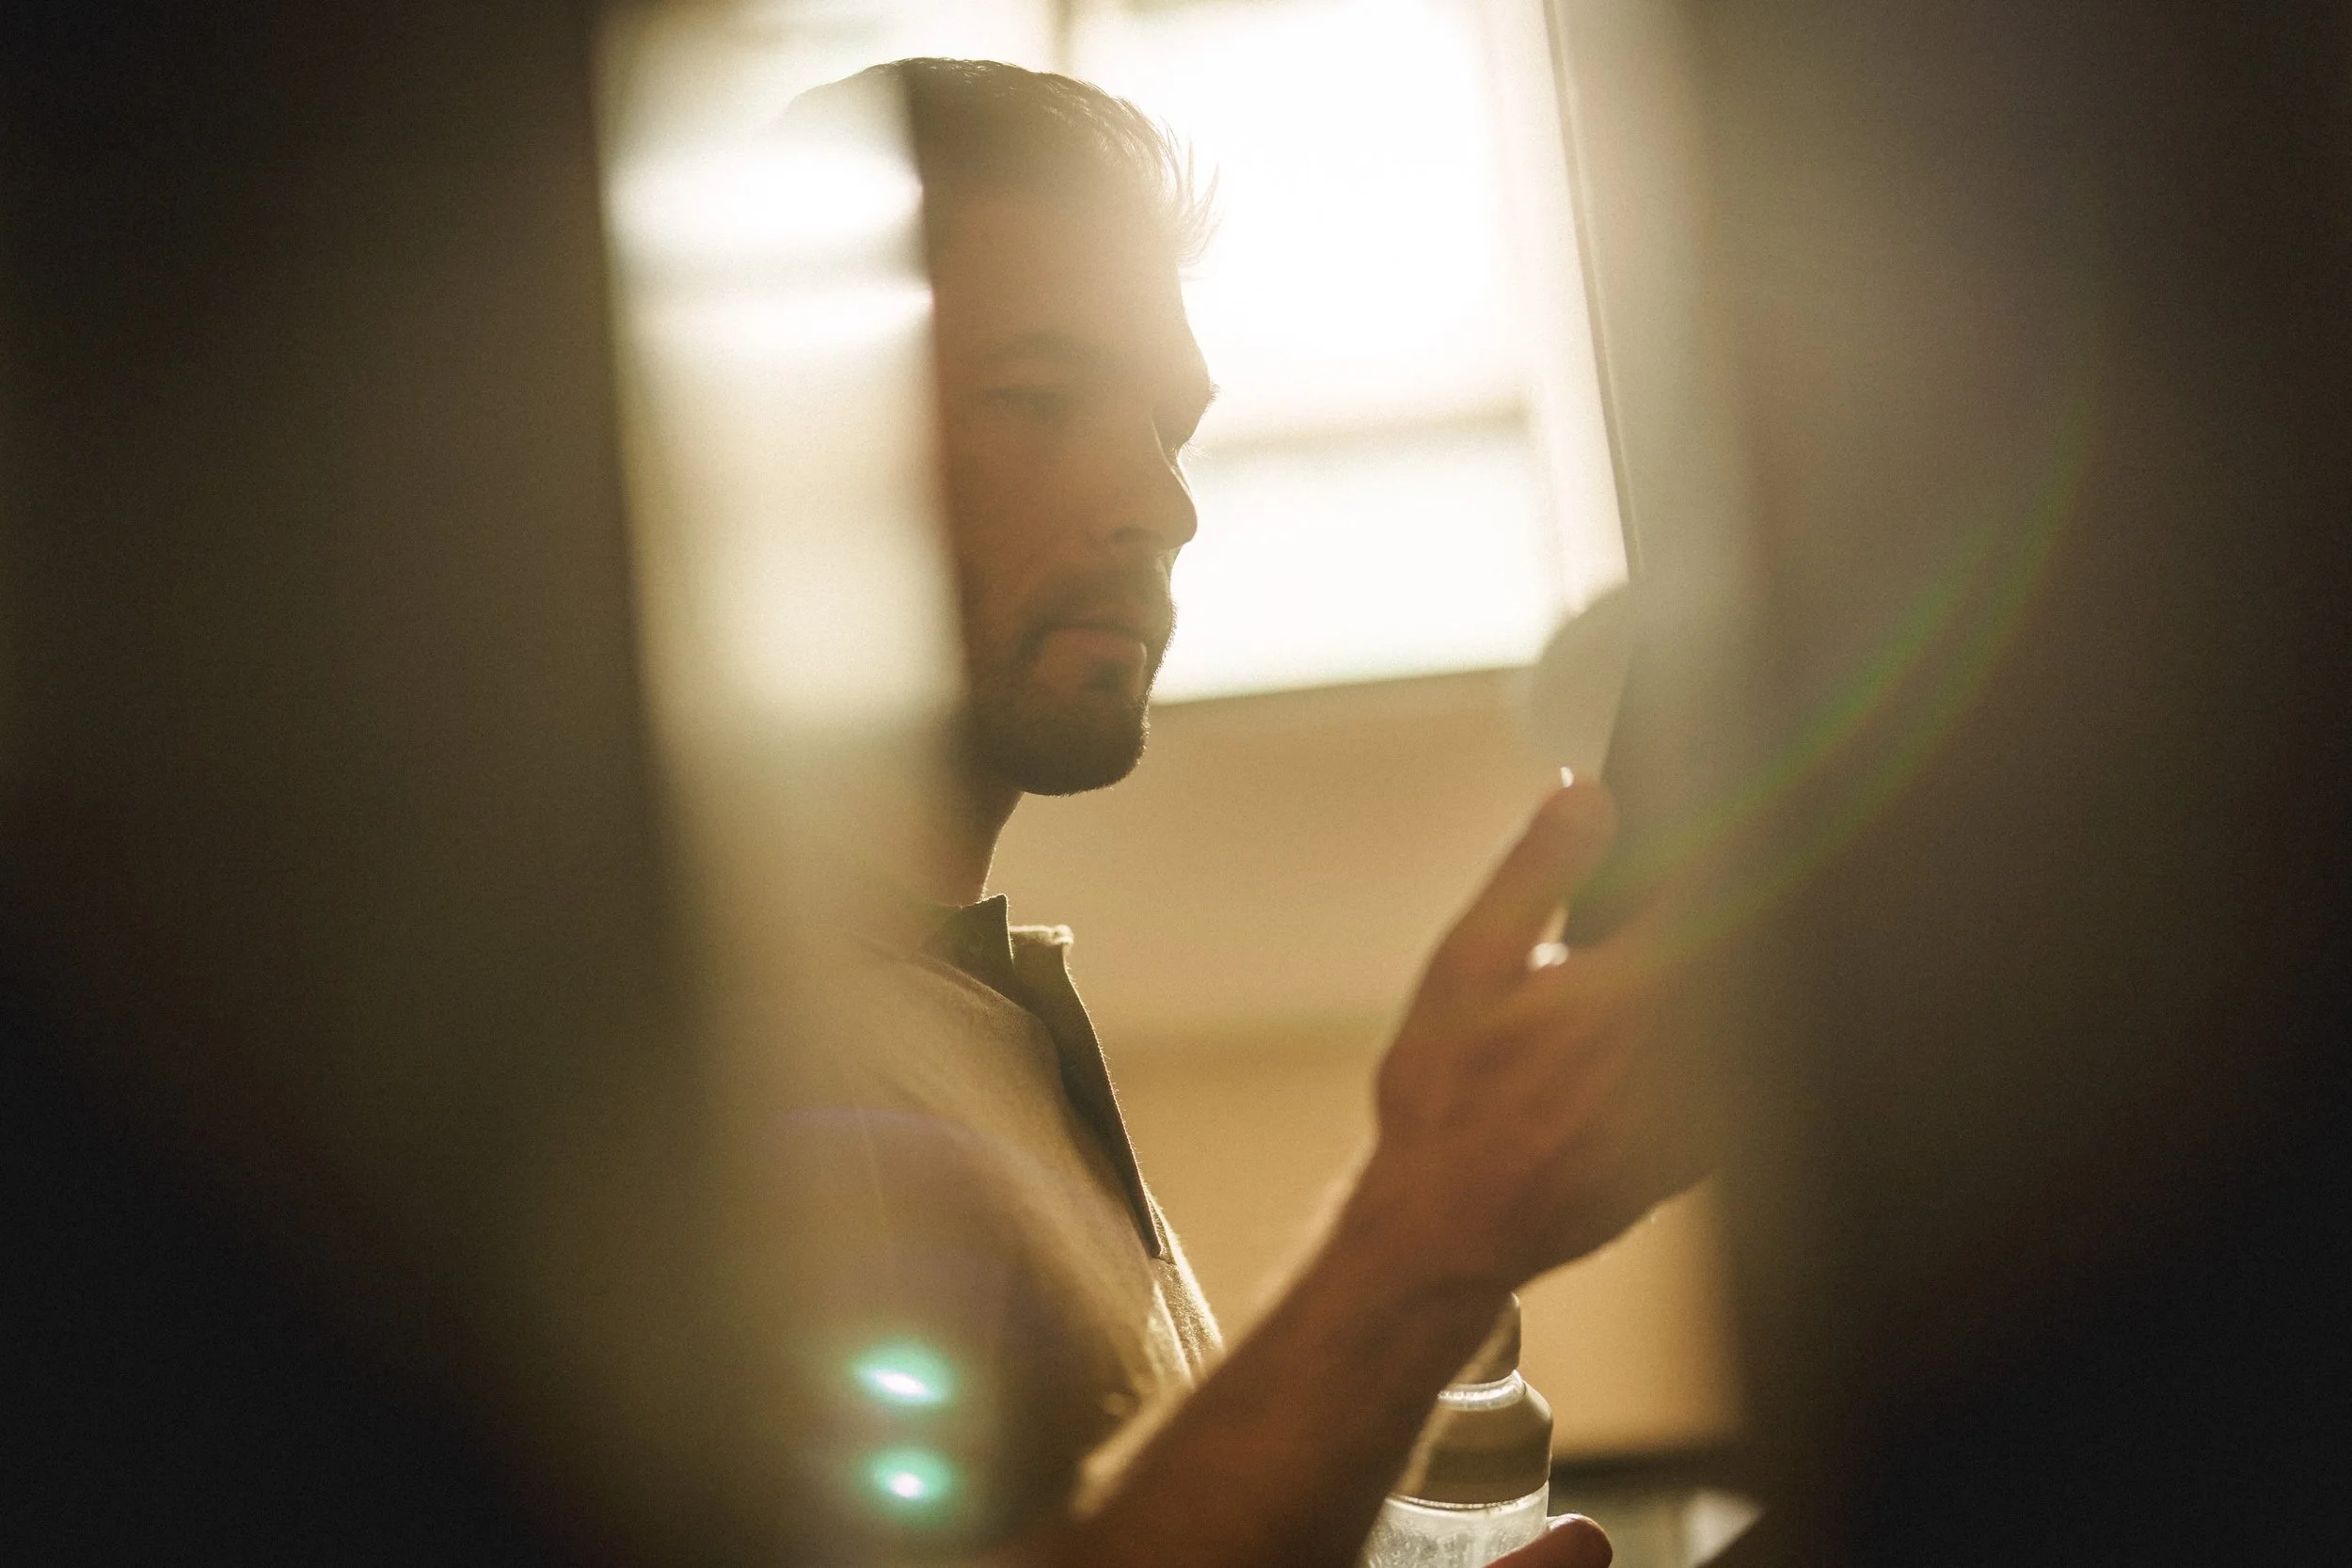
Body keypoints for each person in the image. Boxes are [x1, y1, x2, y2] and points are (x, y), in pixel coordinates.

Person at [768, 57, 1697, 1568]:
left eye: (1169, 426)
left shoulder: (984, 1031)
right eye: (1039, 397)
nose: (1162, 501)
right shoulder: (696, 1040)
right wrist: (1426, 1234)